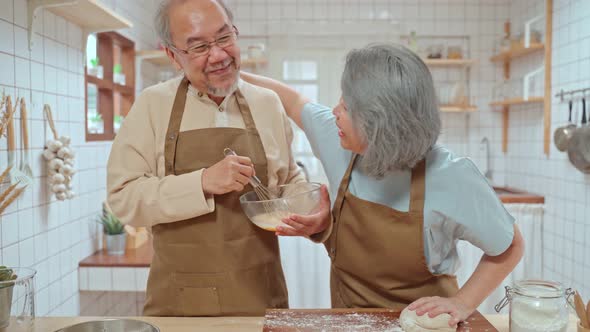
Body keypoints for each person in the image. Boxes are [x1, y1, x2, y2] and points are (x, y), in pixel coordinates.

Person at [241, 43, 524, 326]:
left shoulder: (450, 176)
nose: (334, 111)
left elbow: (510, 247)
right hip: (349, 322)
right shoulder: (337, 138)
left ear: (381, 124)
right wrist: (233, 73)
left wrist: (463, 303)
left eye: (347, 106)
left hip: (425, 327)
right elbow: (293, 100)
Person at [107, 0, 314, 316]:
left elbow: (284, 182)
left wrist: (310, 205)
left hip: (259, 297)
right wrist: (201, 183)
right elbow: (123, 199)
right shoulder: (152, 105)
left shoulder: (267, 103)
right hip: (180, 302)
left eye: (224, 38)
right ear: (173, 56)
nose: (218, 55)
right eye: (199, 47)